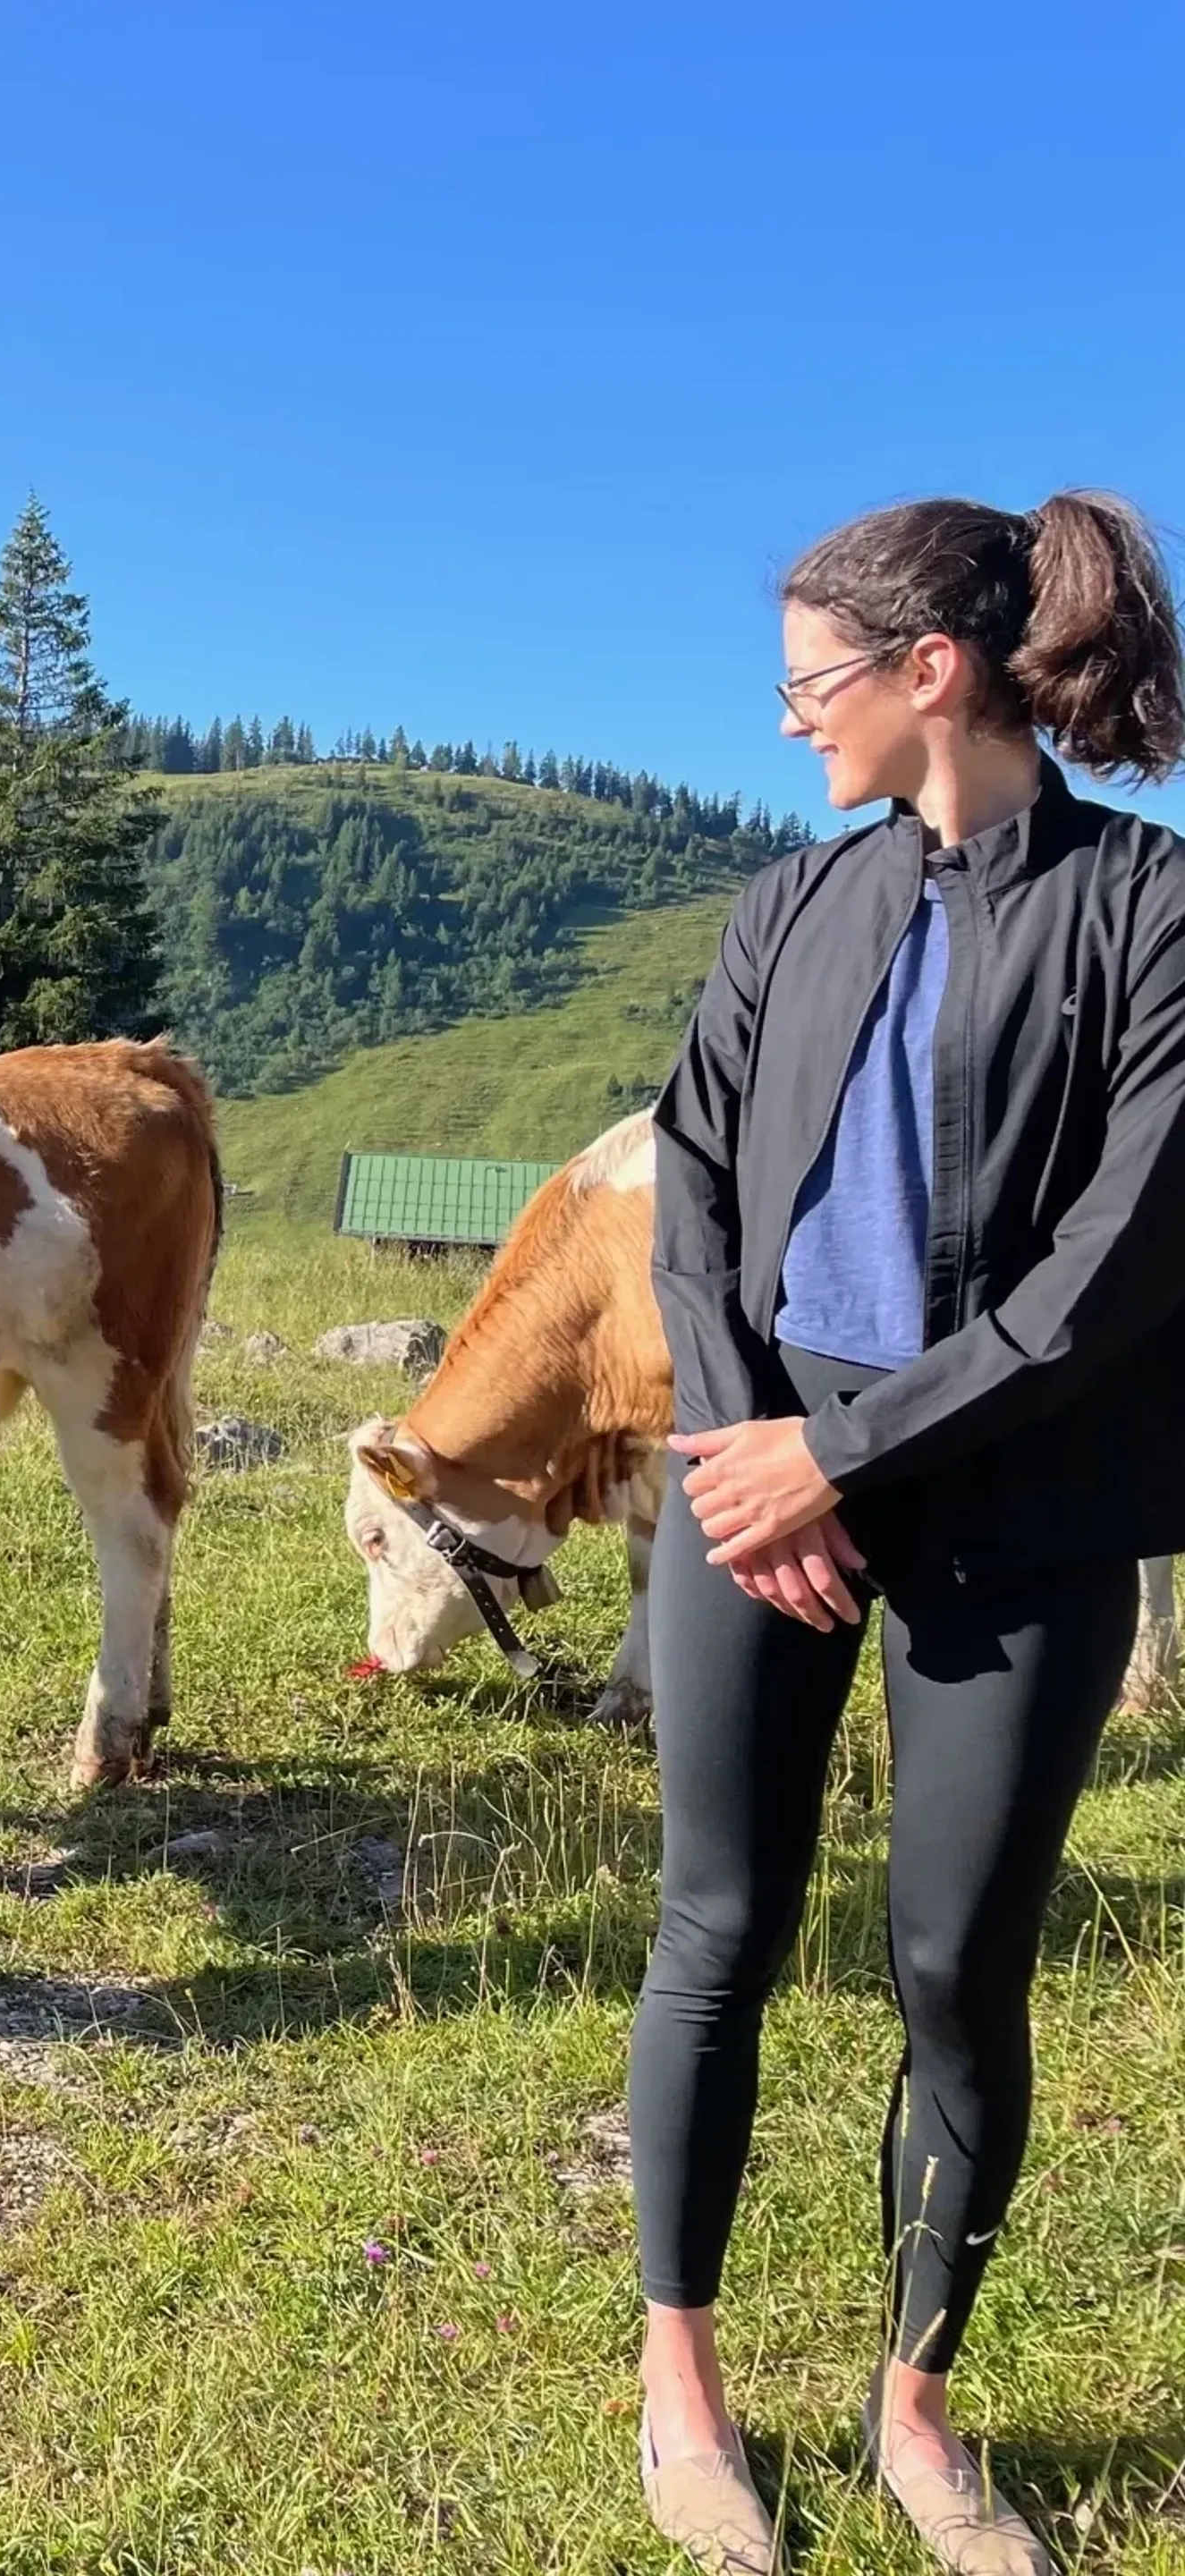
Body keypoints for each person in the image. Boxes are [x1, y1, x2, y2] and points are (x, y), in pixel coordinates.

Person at [639, 492, 1185, 2576]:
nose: (788, 722)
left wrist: (838, 1459)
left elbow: (1115, 1267)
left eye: (806, 683)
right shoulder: (786, 911)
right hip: (747, 1489)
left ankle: (914, 2402)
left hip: (1018, 1511)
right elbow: (689, 1172)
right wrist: (736, 1437)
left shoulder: (1145, 915)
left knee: (955, 1964)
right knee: (716, 1930)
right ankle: (677, 2380)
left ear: (924, 673)